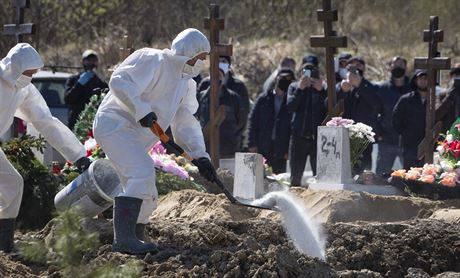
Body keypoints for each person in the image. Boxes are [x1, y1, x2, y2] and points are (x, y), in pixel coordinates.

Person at [93, 28, 216, 255]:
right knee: (142, 171)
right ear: (188, 52)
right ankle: (124, 239)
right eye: (201, 57)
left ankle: (136, 236)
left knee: (146, 188)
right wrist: (141, 110)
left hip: (138, 137)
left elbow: (185, 121)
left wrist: (201, 156)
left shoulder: (187, 84)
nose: (203, 62)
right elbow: (120, 80)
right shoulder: (153, 59)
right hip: (115, 126)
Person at [0, 43, 91, 253]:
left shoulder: (24, 89)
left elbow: (45, 121)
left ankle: (4, 245)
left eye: (33, 73)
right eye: (27, 73)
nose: (30, 77)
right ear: (15, 67)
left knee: (12, 185)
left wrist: (78, 156)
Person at [337, 56, 381, 173]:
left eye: (358, 65)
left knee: (364, 169)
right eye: (352, 66)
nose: (356, 68)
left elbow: (376, 104)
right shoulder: (341, 85)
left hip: (364, 135)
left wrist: (360, 85)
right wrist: (342, 91)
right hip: (344, 133)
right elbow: (328, 105)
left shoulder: (370, 86)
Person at [197, 55, 250, 150]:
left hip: (229, 144)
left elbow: (243, 117)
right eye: (218, 60)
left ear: (229, 64)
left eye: (224, 61)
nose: (221, 63)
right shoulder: (205, 84)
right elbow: (198, 108)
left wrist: (234, 136)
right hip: (207, 142)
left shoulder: (238, 86)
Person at [287, 62, 327, 186]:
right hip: (299, 137)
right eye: (306, 73)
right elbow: (290, 106)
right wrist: (300, 89)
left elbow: (329, 108)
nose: (309, 77)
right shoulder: (294, 86)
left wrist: (321, 91)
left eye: (312, 73)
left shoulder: (322, 88)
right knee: (295, 178)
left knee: (320, 177)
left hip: (318, 138)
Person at [248, 68, 295, 174]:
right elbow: (253, 122)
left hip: (281, 150)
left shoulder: (292, 102)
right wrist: (252, 144)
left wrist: (289, 150)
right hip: (262, 148)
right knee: (260, 178)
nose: (285, 81)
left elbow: (294, 128)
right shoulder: (263, 99)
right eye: (283, 78)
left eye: (289, 79)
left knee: (279, 181)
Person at [375, 56, 412, 177]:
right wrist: (379, 133)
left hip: (408, 142)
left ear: (406, 68)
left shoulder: (413, 88)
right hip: (386, 140)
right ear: (390, 67)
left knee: (412, 177)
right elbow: (374, 113)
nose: (398, 68)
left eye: (401, 65)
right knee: (380, 177)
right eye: (395, 65)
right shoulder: (383, 89)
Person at [392, 69, 428, 169]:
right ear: (415, 81)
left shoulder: (435, 99)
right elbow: (396, 118)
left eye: (426, 78)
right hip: (409, 145)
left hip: (429, 145)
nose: (423, 81)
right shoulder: (406, 99)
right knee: (409, 174)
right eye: (420, 78)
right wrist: (405, 133)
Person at [65, 49, 108, 130]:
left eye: (94, 60)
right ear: (83, 62)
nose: (91, 63)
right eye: (88, 60)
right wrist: (79, 84)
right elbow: (68, 99)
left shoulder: (100, 82)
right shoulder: (74, 79)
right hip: (76, 123)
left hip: (93, 124)